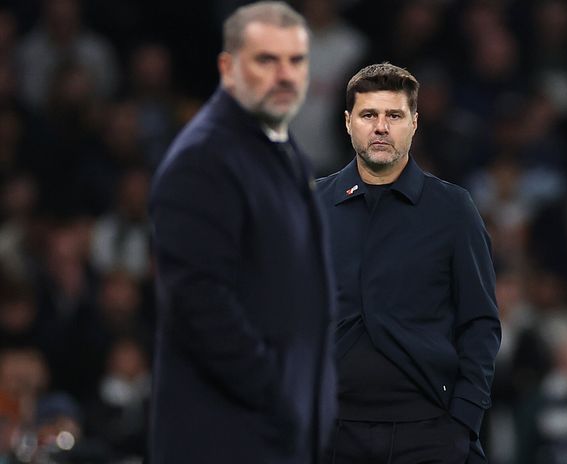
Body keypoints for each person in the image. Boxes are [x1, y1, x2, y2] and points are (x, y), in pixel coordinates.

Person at [148, 2, 336, 463]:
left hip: (277, 435)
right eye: (266, 60)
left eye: (296, 60)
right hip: (226, 437)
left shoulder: (283, 151)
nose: (285, 75)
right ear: (228, 68)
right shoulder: (205, 158)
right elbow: (198, 299)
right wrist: (275, 392)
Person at [317, 63, 501, 463]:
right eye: (369, 114)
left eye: (394, 115)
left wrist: (463, 422)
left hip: (429, 435)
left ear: (414, 123)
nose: (380, 127)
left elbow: (480, 323)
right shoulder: (311, 207)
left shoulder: (452, 209)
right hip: (329, 436)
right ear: (348, 122)